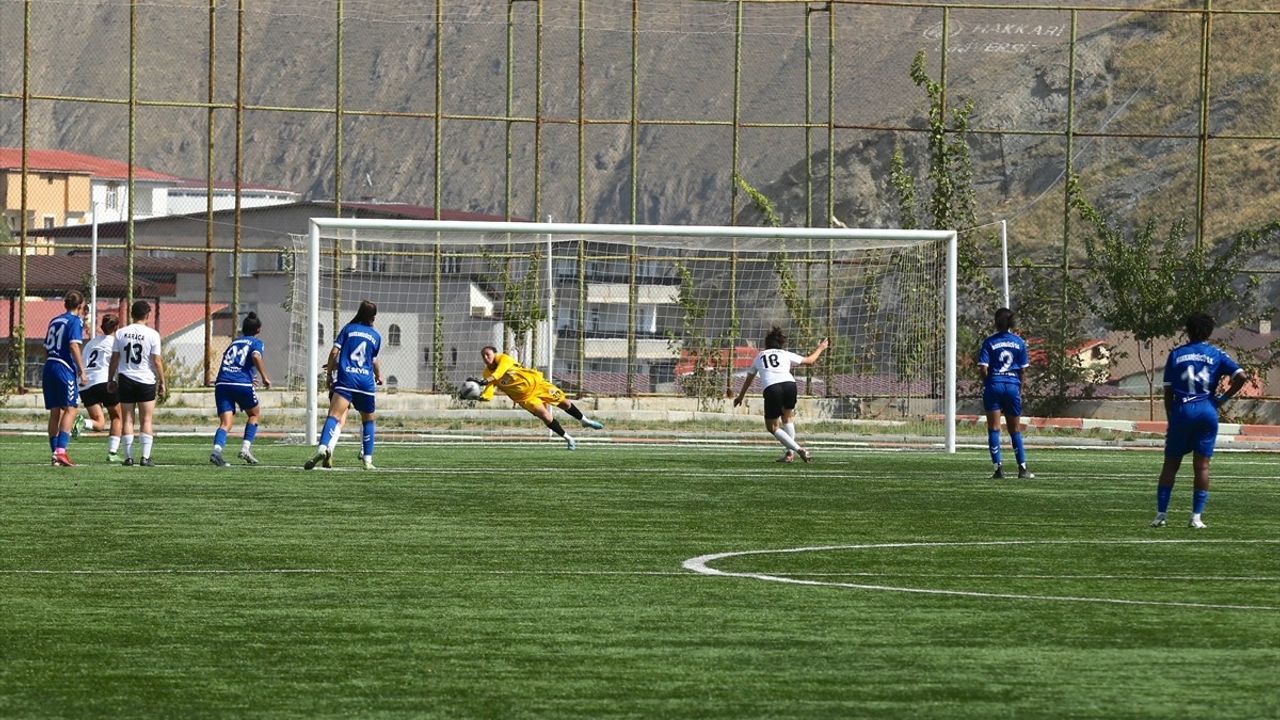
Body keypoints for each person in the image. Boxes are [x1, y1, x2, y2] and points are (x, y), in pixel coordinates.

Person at [1150, 313, 1246, 530]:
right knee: (1202, 465)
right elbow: (1241, 376)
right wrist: (1222, 399)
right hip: (1207, 410)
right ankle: (1196, 518)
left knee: (1171, 464)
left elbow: (1168, 391)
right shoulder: (1216, 353)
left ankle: (1161, 515)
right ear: (1209, 332)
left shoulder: (1176, 354)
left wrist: (1170, 418)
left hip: (1183, 409)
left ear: (1188, 330)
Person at [468, 345, 604, 450]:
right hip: (526, 398)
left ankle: (584, 420)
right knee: (545, 415)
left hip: (539, 385)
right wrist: (474, 396)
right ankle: (568, 439)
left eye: (488, 354)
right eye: (483, 356)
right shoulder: (486, 373)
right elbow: (488, 394)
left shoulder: (504, 358)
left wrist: (483, 381)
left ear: (495, 354)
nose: (486, 358)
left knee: (564, 403)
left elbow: (498, 373)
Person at [305, 300, 383, 470]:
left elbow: (334, 352)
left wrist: (329, 374)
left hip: (346, 379)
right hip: (365, 383)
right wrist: (379, 376)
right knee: (368, 420)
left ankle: (323, 448)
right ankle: (368, 459)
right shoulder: (376, 336)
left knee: (333, 415)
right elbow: (374, 360)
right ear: (373, 317)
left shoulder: (348, 329)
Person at [732, 327, 828, 463]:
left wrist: (741, 396)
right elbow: (809, 360)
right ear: (781, 343)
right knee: (787, 419)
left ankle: (799, 449)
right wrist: (820, 348)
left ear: (766, 344)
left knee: (772, 427)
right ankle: (789, 454)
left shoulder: (760, 356)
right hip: (790, 385)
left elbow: (749, 377)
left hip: (772, 387)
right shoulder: (785, 354)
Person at [107, 300, 166, 467]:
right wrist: (162, 382)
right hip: (146, 379)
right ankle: (145, 458)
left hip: (125, 378)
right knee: (146, 419)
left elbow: (115, 358)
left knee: (127, 419)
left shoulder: (120, 333)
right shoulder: (153, 334)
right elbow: (156, 361)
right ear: (147, 315)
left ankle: (128, 457)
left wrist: (110, 379)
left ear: (131, 314)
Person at [977, 308, 1034, 479]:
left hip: (994, 385)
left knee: (994, 429)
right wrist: (1019, 388)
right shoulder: (1019, 342)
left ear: (996, 322)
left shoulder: (989, 342)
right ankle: (1022, 469)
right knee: (1014, 429)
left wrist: (988, 382)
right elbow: (1023, 371)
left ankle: (998, 469)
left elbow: (983, 368)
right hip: (1011, 386)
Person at [210, 312, 272, 467]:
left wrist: (249, 374)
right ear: (258, 330)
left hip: (222, 383)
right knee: (254, 413)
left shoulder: (234, 342)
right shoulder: (256, 343)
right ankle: (245, 449)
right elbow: (256, 357)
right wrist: (264, 377)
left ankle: (216, 451)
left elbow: (233, 362)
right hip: (240, 384)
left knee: (226, 423)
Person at [43, 291, 88, 466]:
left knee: (55, 411)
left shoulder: (54, 320)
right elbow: (73, 345)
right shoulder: (75, 321)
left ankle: (55, 453)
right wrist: (82, 370)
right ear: (80, 306)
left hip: (49, 365)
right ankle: (61, 451)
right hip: (64, 367)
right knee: (71, 408)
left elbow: (46, 347)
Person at [77, 313, 124, 462]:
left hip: (85, 386)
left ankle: (83, 423)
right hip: (103, 381)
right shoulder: (115, 343)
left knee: (99, 424)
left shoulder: (91, 343)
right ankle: (112, 453)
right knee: (117, 417)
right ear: (117, 327)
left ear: (102, 327)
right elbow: (118, 362)